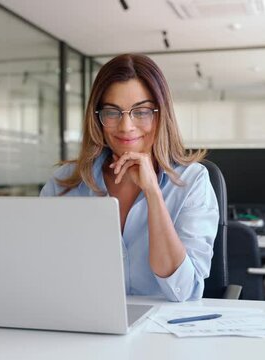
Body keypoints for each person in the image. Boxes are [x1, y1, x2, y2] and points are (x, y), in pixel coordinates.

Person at [40, 54, 218, 302]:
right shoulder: (65, 184)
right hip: (84, 323)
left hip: (163, 330)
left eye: (141, 111)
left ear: (161, 113)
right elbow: (42, 273)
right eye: (112, 112)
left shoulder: (192, 182)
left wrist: (153, 192)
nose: (125, 126)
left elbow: (185, 291)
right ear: (97, 117)